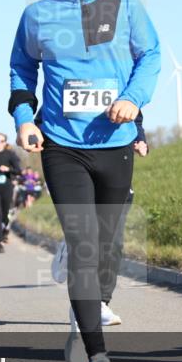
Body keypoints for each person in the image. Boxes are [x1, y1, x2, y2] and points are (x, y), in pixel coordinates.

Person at [10, 0, 161, 362]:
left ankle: (89, 307)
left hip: (114, 141)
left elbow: (151, 56)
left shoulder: (125, 4)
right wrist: (23, 117)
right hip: (62, 143)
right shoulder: (37, 15)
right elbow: (20, 69)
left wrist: (134, 100)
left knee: (109, 241)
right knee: (84, 241)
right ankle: (99, 357)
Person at [50, 110, 149, 328]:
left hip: (116, 166)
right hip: (77, 165)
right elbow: (49, 112)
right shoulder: (71, 81)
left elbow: (135, 116)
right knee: (86, 244)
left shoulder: (122, 85)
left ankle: (101, 301)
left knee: (112, 243)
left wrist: (140, 138)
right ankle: (85, 305)